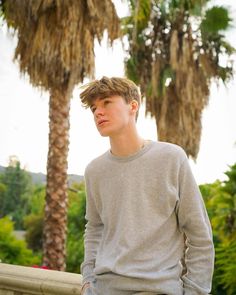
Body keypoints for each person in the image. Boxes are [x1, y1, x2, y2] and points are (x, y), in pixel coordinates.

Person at [79, 76, 214, 295]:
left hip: (158, 289)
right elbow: (95, 228)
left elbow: (199, 234)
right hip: (103, 290)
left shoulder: (171, 158)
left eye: (106, 102)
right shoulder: (94, 170)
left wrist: (195, 291)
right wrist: (87, 281)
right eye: (94, 107)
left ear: (133, 106)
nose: (97, 112)